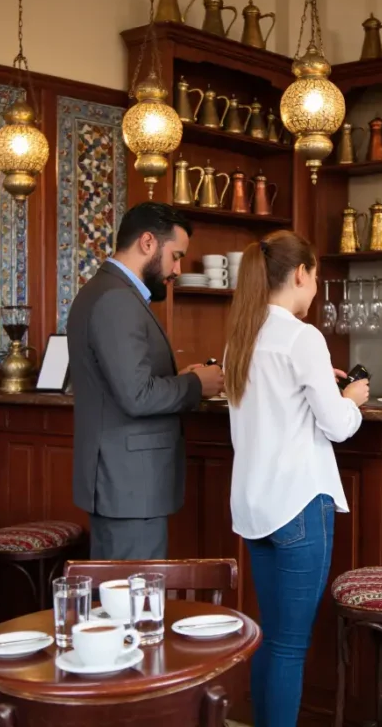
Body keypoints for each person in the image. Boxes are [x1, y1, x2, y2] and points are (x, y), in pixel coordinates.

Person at [224, 230, 368, 727]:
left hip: (254, 506)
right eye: (316, 279)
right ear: (301, 274)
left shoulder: (241, 337)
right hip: (300, 505)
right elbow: (337, 426)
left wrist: (317, 383)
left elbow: (269, 408)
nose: (315, 291)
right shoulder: (303, 337)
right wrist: (353, 400)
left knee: (272, 636)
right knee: (290, 646)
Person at [67, 201, 223, 560]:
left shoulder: (106, 291)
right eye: (176, 256)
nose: (177, 269)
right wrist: (198, 385)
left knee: (121, 604)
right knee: (135, 607)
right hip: (129, 484)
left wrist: (178, 378)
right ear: (148, 243)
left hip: (123, 482)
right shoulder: (117, 299)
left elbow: (125, 383)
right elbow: (136, 395)